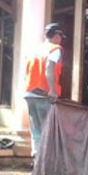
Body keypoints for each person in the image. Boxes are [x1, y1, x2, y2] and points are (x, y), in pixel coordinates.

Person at [24, 23, 64, 156]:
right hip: (44, 94)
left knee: (36, 131)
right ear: (56, 35)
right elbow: (49, 68)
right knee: (48, 131)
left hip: (30, 93)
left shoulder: (35, 50)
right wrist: (52, 90)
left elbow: (27, 72)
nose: (61, 39)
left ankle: (36, 162)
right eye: (60, 36)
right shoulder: (55, 49)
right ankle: (46, 165)